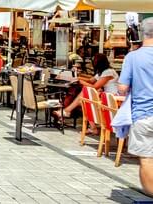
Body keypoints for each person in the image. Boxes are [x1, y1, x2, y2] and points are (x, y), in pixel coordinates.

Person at [120, 17, 153, 195]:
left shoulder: (133, 57)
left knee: (147, 158)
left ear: (142, 33)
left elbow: (123, 88)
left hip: (143, 114)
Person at [55, 53, 119, 121]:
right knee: (82, 96)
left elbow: (94, 87)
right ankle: (66, 111)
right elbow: (91, 80)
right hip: (107, 95)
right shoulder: (104, 71)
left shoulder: (109, 72)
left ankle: (66, 111)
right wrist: (77, 78)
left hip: (112, 96)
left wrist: (81, 82)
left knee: (84, 94)